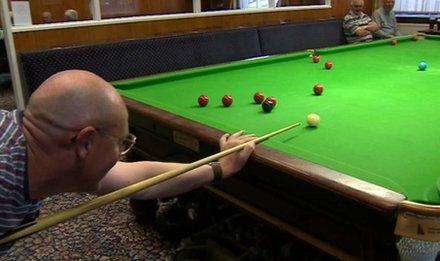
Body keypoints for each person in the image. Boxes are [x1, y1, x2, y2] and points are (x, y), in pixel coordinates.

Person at [0, 70, 256, 254]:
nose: (121, 154)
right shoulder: (4, 180)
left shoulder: (36, 150)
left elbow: (140, 179)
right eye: (121, 143)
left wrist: (220, 167)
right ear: (86, 142)